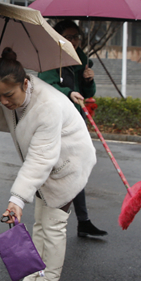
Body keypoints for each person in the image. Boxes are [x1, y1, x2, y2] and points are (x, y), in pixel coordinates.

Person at [0, 47, 97, 281]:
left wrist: (16, 198)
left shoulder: (48, 105)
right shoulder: (17, 96)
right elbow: (15, 122)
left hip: (67, 166)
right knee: (40, 224)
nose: (5, 101)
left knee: (53, 228)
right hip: (44, 168)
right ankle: (36, 275)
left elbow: (41, 158)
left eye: (8, 96)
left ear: (26, 83)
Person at [38, 20, 107, 237]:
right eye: (68, 36)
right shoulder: (50, 59)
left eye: (76, 36)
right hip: (54, 124)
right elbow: (46, 86)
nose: (73, 41)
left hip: (75, 122)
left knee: (77, 170)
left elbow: (85, 93)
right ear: (57, 37)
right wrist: (68, 93)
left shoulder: (81, 60)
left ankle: (83, 220)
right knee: (51, 171)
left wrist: (88, 81)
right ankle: (47, 219)